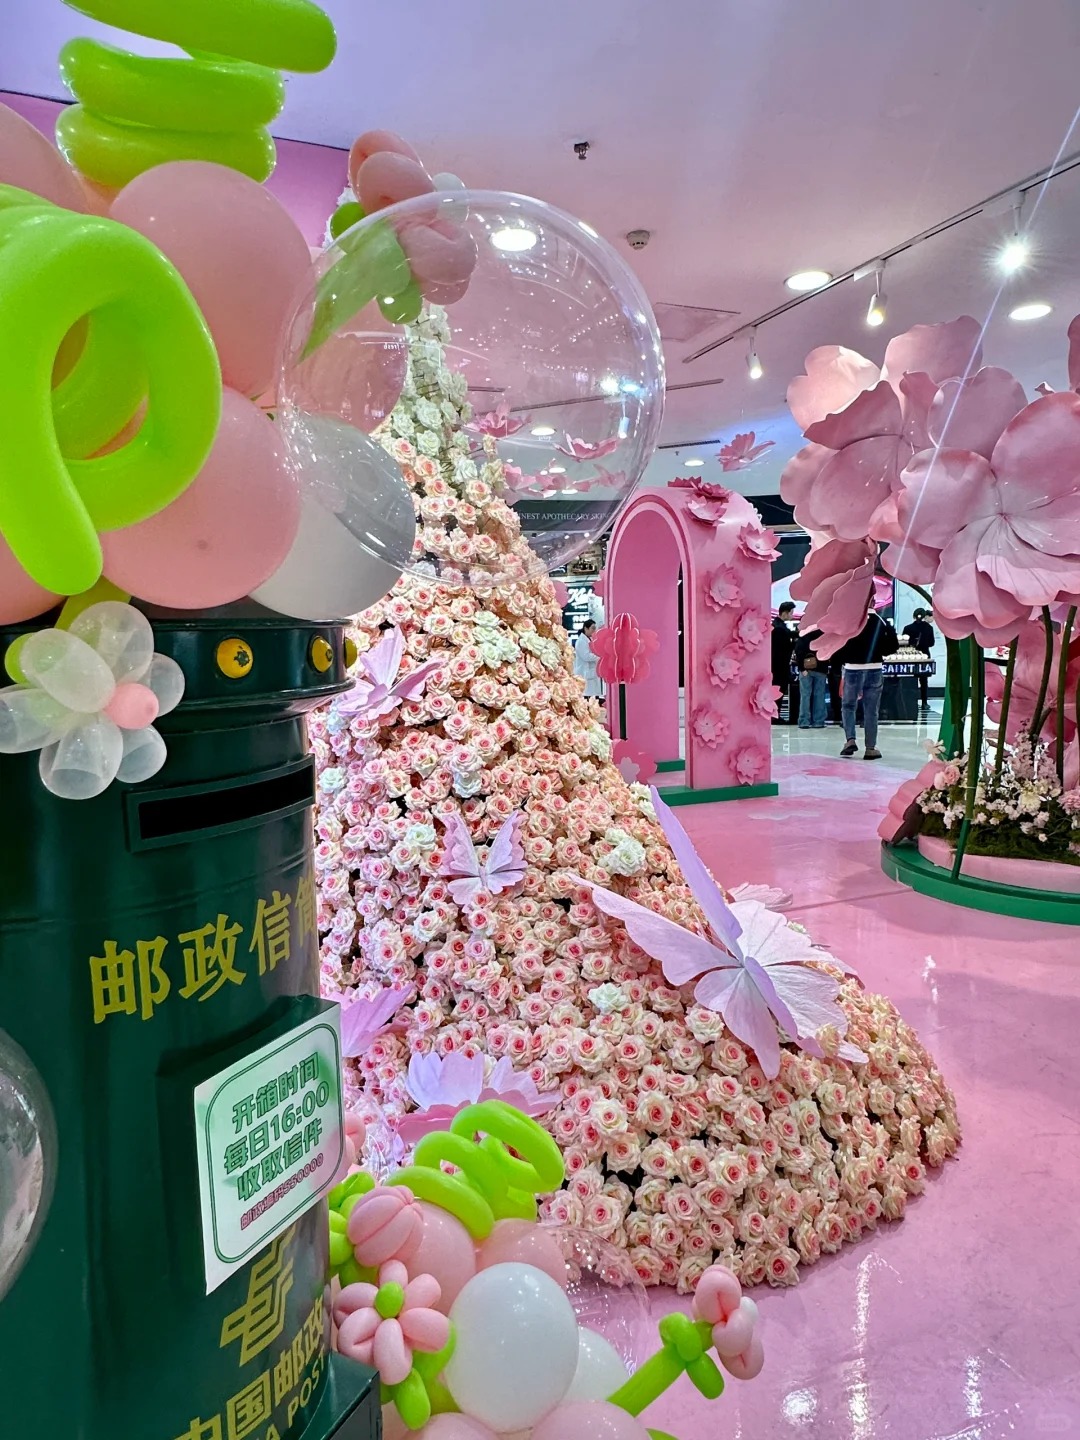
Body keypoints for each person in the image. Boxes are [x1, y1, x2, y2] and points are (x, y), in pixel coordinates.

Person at [832, 610, 900, 758]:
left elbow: (838, 644)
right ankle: (870, 748)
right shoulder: (880, 621)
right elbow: (891, 647)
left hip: (852, 668)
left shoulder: (850, 618)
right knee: (871, 710)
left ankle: (850, 740)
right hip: (874, 668)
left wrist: (842, 661)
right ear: (873, 602)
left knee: (848, 706)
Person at [793, 626, 828, 728]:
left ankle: (804, 721)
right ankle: (819, 721)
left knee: (805, 696)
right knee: (819, 695)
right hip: (821, 669)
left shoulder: (804, 636)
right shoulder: (823, 635)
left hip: (806, 669)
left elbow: (798, 652)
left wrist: (801, 668)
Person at [903, 608, 937, 711]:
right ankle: (924, 702)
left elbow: (904, 643)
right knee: (924, 681)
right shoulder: (929, 628)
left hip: (910, 655)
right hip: (924, 656)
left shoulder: (907, 628)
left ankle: (909, 702)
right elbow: (931, 643)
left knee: (910, 679)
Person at [771, 602, 797, 725]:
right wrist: (794, 643)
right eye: (791, 613)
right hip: (779, 667)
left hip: (778, 666)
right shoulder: (778, 629)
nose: (792, 615)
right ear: (785, 613)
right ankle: (775, 716)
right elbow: (782, 649)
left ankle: (776, 715)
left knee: (779, 690)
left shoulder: (779, 626)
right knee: (778, 690)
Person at [573, 620, 603, 697]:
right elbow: (586, 656)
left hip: (591, 673)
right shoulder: (581, 641)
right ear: (586, 628)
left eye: (595, 628)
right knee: (587, 696)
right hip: (584, 673)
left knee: (594, 695)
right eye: (592, 628)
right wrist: (599, 657)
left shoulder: (590, 640)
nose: (594, 630)